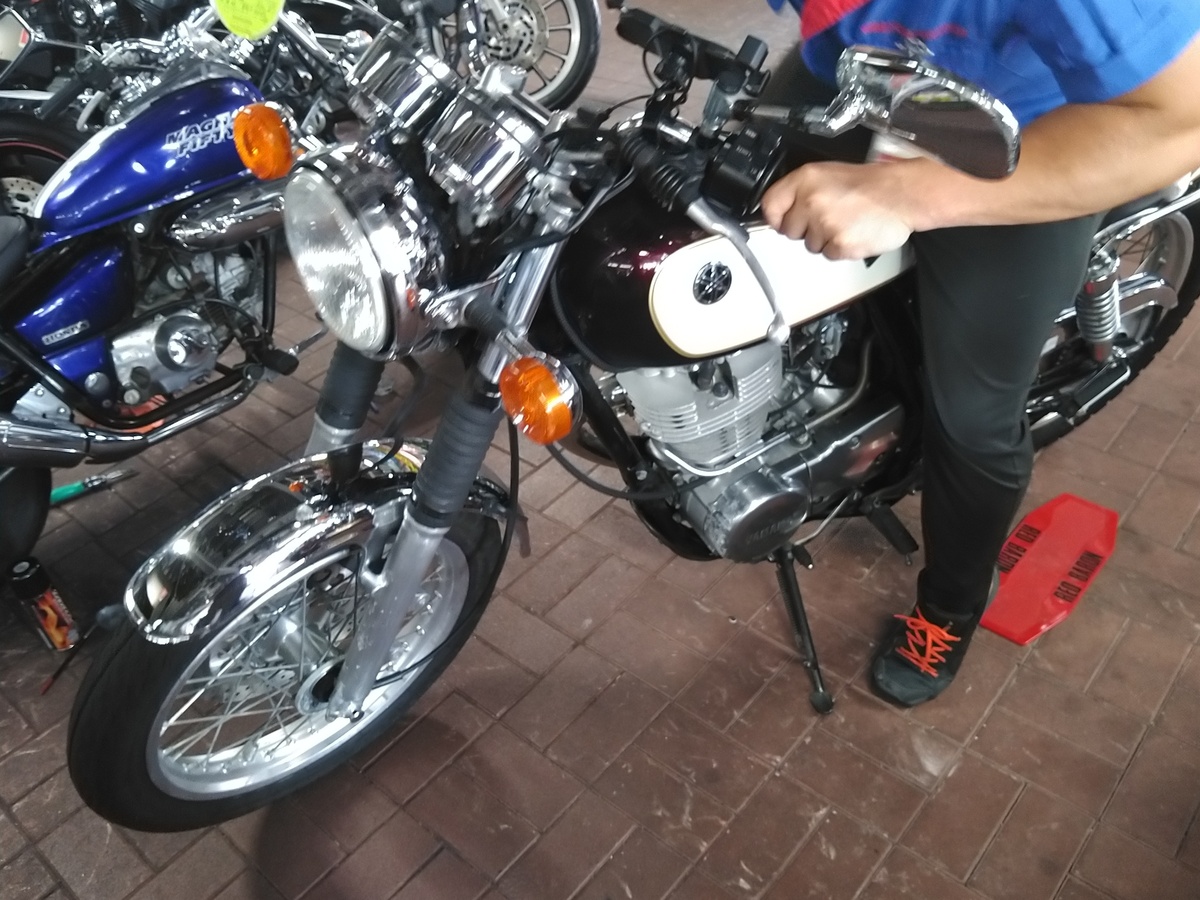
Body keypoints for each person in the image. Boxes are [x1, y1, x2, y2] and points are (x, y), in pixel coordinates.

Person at [759, 0, 1200, 706]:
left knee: (971, 415)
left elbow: (1180, 120)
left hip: (1034, 122)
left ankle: (951, 607)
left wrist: (909, 194)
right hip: (869, 68)